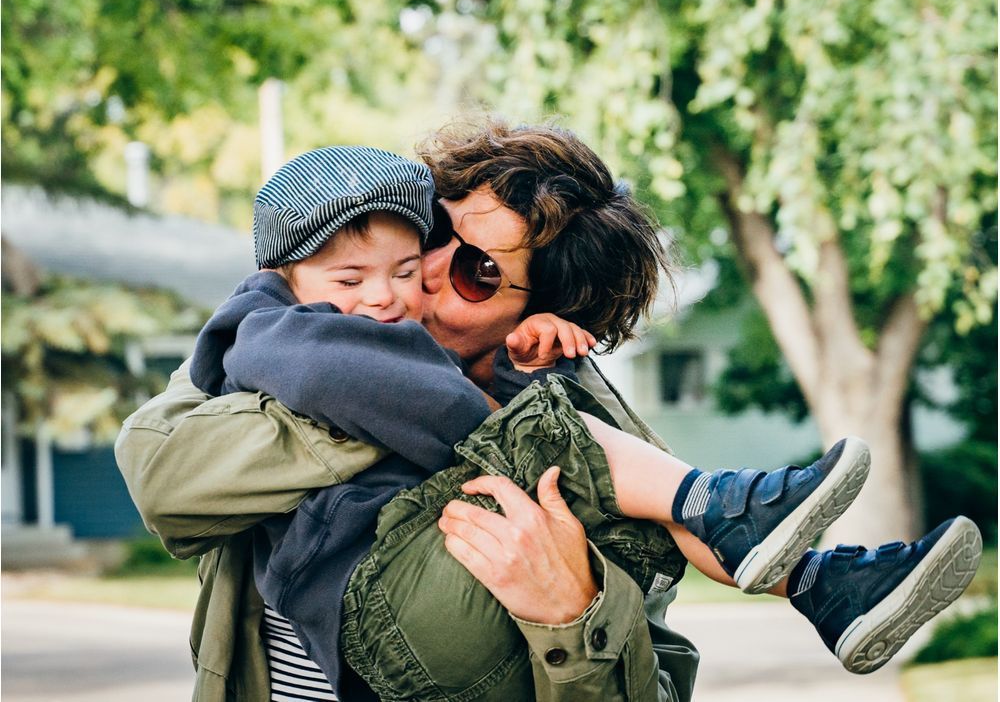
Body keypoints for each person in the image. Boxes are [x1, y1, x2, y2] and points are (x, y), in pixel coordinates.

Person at [116, 121, 981, 702]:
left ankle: (815, 577)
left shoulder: (579, 419)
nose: (406, 285)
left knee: (640, 495)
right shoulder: (293, 338)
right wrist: (468, 407)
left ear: (542, 311)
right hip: (354, 624)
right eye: (430, 239)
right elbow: (164, 477)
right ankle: (754, 528)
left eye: (471, 273)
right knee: (662, 494)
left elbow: (658, 685)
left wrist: (571, 617)